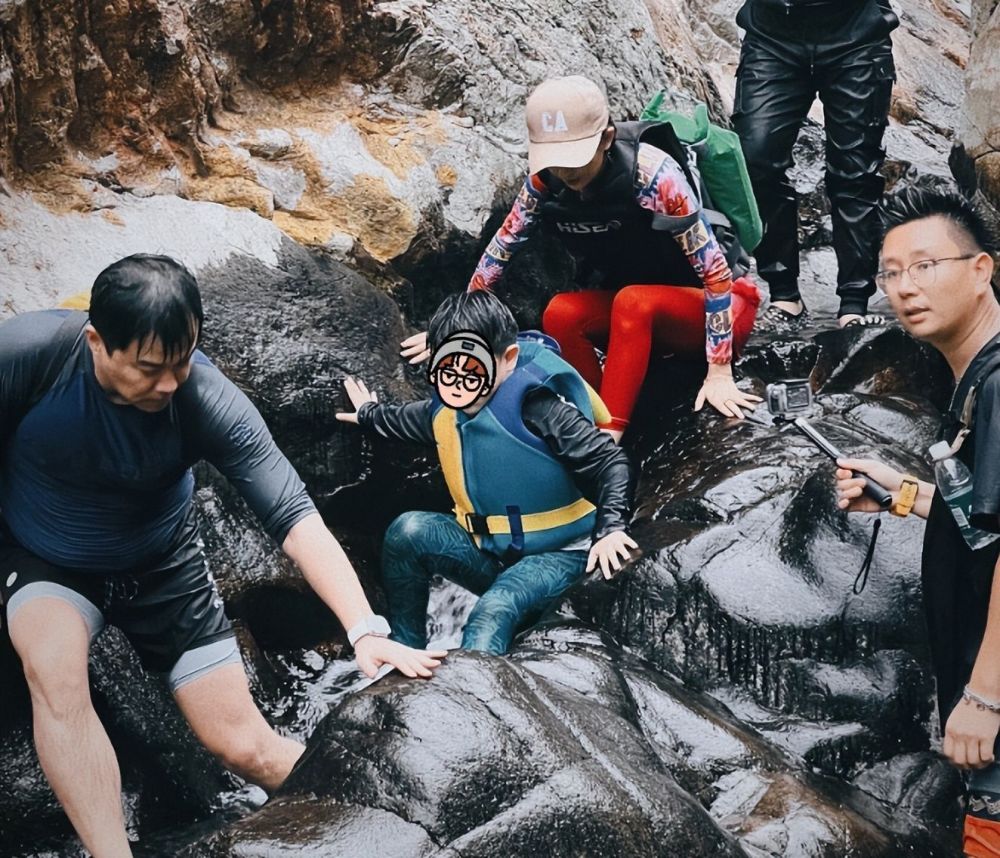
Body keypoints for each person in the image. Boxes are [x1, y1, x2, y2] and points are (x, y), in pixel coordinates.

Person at [0, 254, 445, 858]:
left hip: (162, 566)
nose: (168, 384)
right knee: (54, 671)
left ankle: (408, 825)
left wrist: (364, 630)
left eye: (181, 362)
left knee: (244, 746)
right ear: (96, 341)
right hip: (48, 559)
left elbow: (292, 512)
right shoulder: (28, 357)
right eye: (150, 368)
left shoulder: (202, 396)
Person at [401, 75, 762, 443]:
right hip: (637, 321)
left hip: (716, 309)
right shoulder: (547, 182)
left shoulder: (653, 176)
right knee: (560, 311)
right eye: (555, 159)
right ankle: (586, 415)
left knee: (632, 300)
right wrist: (457, 329)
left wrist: (719, 372)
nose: (565, 170)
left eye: (575, 157)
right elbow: (501, 249)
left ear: (606, 138)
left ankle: (607, 438)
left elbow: (717, 275)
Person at [833, 188, 1000, 856]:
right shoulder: (975, 382)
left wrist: (986, 698)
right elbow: (988, 520)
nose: (905, 287)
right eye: (892, 272)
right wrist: (906, 496)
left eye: (926, 265)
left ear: (982, 268)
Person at [338, 290, 635, 654]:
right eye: (448, 366)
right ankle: (405, 650)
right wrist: (369, 414)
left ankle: (475, 695)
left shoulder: (539, 407)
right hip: (494, 556)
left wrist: (611, 530)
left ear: (508, 359)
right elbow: (405, 420)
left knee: (491, 610)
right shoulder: (445, 410)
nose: (460, 379)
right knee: (407, 532)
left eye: (473, 366)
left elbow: (611, 462)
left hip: (563, 555)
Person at [733, 0, 899, 331]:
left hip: (857, 34)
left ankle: (854, 303)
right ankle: (784, 294)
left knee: (855, 170)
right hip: (772, 35)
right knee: (755, 159)